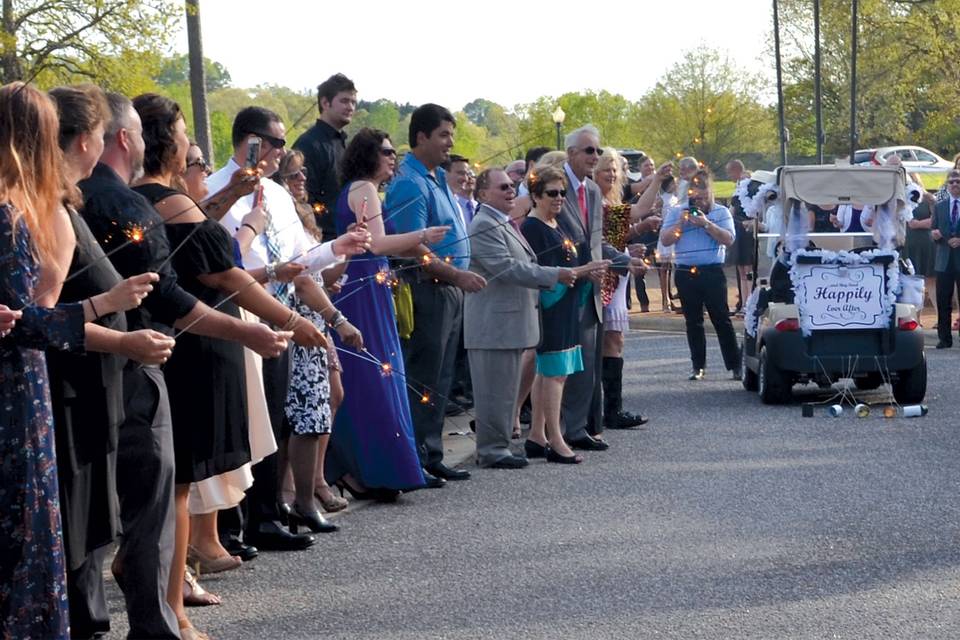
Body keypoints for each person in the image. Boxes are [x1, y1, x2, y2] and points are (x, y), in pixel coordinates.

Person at [80, 92, 290, 640]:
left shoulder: (112, 201)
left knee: (129, 498)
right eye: (174, 136)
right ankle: (160, 619)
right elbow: (178, 287)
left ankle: (156, 605)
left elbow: (183, 249)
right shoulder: (125, 205)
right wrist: (253, 327)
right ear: (127, 138)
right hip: (147, 355)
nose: (165, 145)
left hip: (122, 354)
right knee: (157, 496)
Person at [0, 81, 157, 640]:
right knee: (28, 531)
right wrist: (105, 306)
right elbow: (24, 321)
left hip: (32, 383)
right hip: (20, 391)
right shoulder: (14, 213)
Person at [207, 106, 370, 551]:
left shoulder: (277, 196)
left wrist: (338, 245)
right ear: (250, 141)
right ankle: (227, 525)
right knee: (242, 421)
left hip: (285, 314)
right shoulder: (213, 190)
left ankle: (266, 513)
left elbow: (303, 258)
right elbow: (220, 263)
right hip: (241, 312)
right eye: (276, 142)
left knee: (277, 418)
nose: (283, 151)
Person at [47, 83, 177, 638]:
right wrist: (118, 327)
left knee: (94, 521)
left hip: (99, 379)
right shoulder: (46, 208)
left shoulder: (69, 202)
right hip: (74, 383)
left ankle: (103, 621)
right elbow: (37, 315)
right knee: (82, 523)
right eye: (98, 133)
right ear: (84, 140)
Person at [329, 127, 448, 496]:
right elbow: (376, 243)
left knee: (378, 375)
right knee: (375, 377)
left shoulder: (363, 191)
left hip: (370, 284)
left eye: (394, 151)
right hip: (362, 286)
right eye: (385, 151)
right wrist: (422, 236)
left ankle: (376, 468)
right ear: (367, 155)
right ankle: (375, 470)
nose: (392, 157)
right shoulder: (363, 189)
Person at [385, 104, 486, 485]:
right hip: (428, 290)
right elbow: (412, 248)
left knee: (441, 378)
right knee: (423, 378)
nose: (450, 143)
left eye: (451, 135)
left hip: (450, 290)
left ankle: (432, 453)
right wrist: (456, 275)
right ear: (421, 136)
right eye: (443, 135)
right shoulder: (410, 182)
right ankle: (415, 458)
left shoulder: (437, 178)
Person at [465, 168, 579, 469]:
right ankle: (491, 450)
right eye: (502, 187)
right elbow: (508, 268)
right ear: (482, 194)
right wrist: (555, 275)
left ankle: (499, 446)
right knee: (493, 390)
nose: (509, 191)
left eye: (512, 186)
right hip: (493, 324)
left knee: (504, 390)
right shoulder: (483, 225)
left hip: (509, 322)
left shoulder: (501, 222)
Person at [275, 149, 351, 513]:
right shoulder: (276, 217)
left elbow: (321, 273)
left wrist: (347, 249)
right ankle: (293, 488)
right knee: (301, 408)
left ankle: (316, 478)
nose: (302, 179)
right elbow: (301, 276)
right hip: (300, 314)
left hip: (319, 311)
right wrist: (337, 316)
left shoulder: (304, 214)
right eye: (293, 175)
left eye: (303, 173)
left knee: (332, 395)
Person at [557, 125, 638, 450]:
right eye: (589, 150)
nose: (595, 156)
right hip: (559, 285)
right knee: (557, 365)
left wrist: (622, 260)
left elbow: (594, 242)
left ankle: (577, 429)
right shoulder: (553, 185)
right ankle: (551, 431)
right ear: (572, 153)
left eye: (597, 150)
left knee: (586, 363)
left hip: (590, 287)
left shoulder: (591, 191)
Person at [522, 165, 607, 464]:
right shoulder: (532, 228)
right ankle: (556, 438)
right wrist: (583, 271)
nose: (559, 198)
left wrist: (588, 274)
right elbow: (545, 272)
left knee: (550, 372)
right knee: (555, 373)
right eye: (552, 193)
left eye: (563, 192)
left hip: (569, 304)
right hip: (551, 305)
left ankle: (537, 435)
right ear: (535, 195)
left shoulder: (556, 223)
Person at [658, 168, 741, 380]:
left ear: (710, 194)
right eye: (696, 198)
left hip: (712, 271)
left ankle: (735, 365)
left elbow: (729, 239)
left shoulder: (720, 212)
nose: (700, 203)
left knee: (721, 318)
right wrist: (680, 224)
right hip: (686, 272)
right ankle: (698, 366)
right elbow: (665, 240)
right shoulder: (678, 211)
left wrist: (706, 223)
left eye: (703, 198)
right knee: (693, 321)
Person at [592, 148, 651, 430]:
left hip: (618, 274)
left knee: (613, 342)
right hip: (606, 276)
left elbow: (617, 236)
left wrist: (629, 246)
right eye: (607, 169)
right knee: (609, 342)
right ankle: (609, 410)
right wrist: (656, 180)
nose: (612, 174)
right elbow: (639, 211)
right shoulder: (595, 201)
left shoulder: (609, 200)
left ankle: (611, 408)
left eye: (615, 170)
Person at [293, 73, 357, 241]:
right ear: (325, 103)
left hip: (347, 236)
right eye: (344, 101)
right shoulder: (308, 144)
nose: (350, 107)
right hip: (322, 240)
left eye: (353, 102)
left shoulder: (345, 143)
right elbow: (302, 198)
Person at [931, 169, 960, 348]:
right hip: (944, 259)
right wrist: (934, 235)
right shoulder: (939, 206)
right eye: (952, 182)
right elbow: (933, 229)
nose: (955, 185)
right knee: (943, 300)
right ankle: (944, 338)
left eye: (958, 182)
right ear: (947, 185)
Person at [903, 174, 937, 319]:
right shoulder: (902, 199)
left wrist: (918, 224)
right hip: (909, 243)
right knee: (914, 281)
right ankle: (916, 318)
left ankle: (939, 316)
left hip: (926, 242)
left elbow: (937, 219)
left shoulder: (929, 198)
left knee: (929, 280)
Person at [726, 159, 754, 314]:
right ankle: (743, 303)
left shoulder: (751, 188)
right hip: (738, 230)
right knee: (742, 270)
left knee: (748, 270)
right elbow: (732, 211)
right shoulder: (737, 192)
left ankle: (749, 303)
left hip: (748, 231)